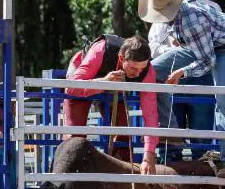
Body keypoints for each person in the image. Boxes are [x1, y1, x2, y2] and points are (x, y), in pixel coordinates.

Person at [143, 0, 225, 156]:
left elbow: (208, 60)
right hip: (196, 47)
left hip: (220, 49)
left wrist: (183, 71)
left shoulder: (192, 20)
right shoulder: (180, 14)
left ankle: (223, 159)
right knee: (150, 72)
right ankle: (170, 132)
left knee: (223, 100)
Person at [62, 35, 159, 171]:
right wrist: (102, 82)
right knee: (75, 137)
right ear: (121, 58)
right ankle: (70, 175)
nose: (137, 74)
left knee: (123, 136)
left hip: (112, 85)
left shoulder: (148, 72)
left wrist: (149, 155)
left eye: (141, 69)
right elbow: (71, 88)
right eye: (133, 68)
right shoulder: (100, 51)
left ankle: (119, 179)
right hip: (82, 78)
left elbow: (151, 115)